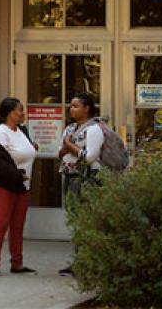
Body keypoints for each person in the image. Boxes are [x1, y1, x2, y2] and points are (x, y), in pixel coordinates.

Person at [0, 97, 37, 277]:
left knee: (18, 225)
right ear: (10, 113)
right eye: (20, 110)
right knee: (1, 222)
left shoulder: (22, 131)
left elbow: (26, 150)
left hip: (23, 184)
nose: (23, 113)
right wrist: (16, 174)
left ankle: (17, 264)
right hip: (4, 184)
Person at [57, 92, 104, 277]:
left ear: (87, 108)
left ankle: (87, 263)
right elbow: (60, 152)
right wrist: (65, 148)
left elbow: (90, 157)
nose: (72, 109)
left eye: (76, 106)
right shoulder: (69, 129)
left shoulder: (94, 129)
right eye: (71, 105)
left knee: (85, 220)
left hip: (86, 179)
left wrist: (70, 146)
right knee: (75, 221)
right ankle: (78, 261)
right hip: (69, 177)